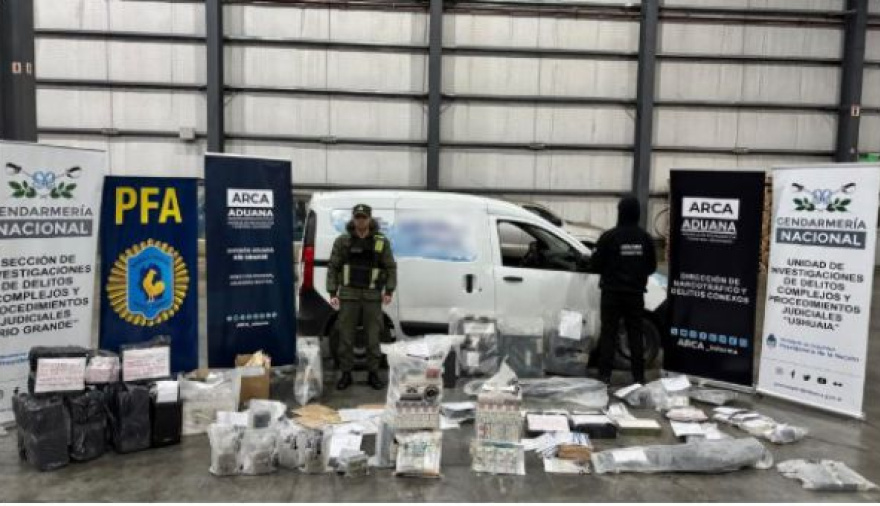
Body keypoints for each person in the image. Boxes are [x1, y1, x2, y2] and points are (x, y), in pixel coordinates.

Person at [586, 195, 657, 385]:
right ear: (637, 213)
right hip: (635, 294)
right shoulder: (645, 238)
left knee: (609, 334)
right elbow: (652, 267)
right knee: (635, 334)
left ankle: (604, 376)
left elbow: (595, 264)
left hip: (611, 294)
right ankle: (638, 377)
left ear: (620, 212)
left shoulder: (609, 237)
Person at [326, 203, 397, 391]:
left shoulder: (380, 241)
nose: (360, 221)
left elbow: (390, 267)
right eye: (357, 217)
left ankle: (373, 374)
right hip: (348, 295)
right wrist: (332, 292)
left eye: (364, 217)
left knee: (373, 337)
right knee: (345, 337)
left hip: (372, 296)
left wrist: (389, 291)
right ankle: (346, 374)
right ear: (353, 218)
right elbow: (333, 267)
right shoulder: (343, 241)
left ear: (369, 219)